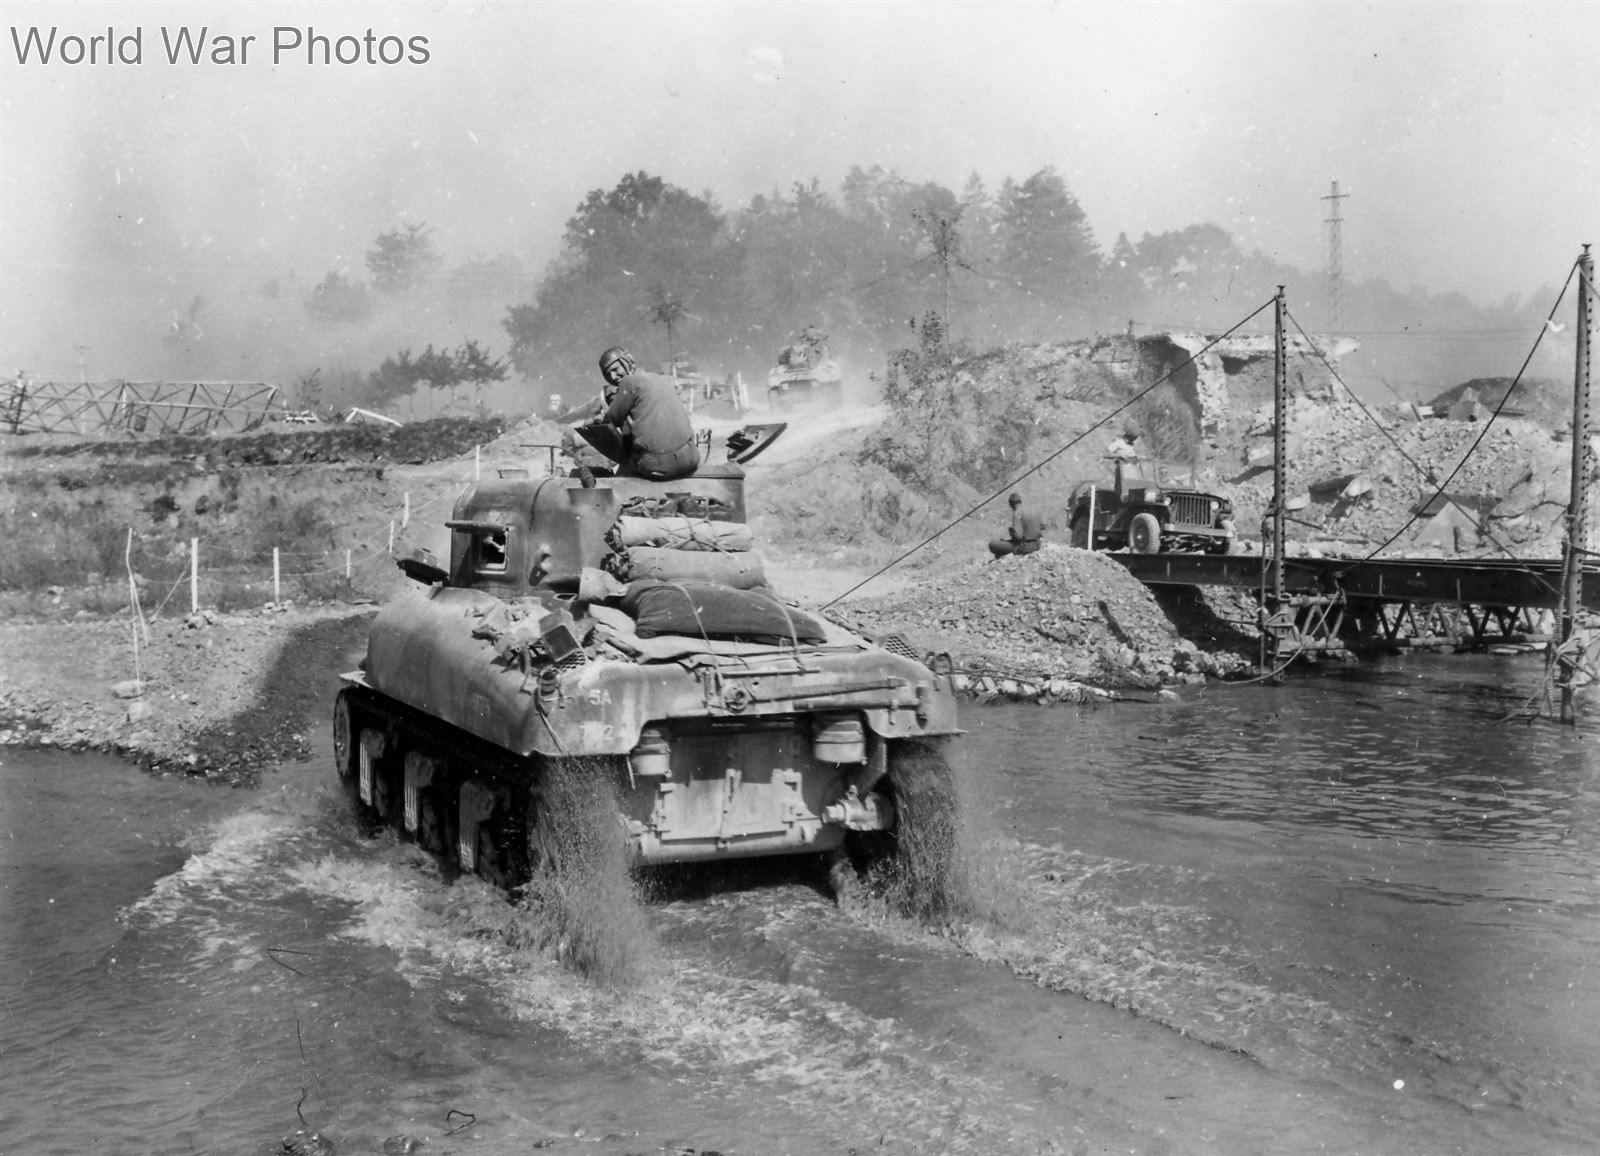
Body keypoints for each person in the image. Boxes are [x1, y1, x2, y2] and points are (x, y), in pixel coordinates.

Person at [563, 346, 699, 481]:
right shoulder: (661, 379)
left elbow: (612, 419)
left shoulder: (629, 382)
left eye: (615, 369)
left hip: (659, 466)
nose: (612, 376)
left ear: (627, 362)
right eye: (608, 374)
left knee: (626, 464)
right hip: (690, 458)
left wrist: (593, 421)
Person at [988, 492, 1045, 559]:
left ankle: (1001, 554)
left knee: (992, 544)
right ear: (1020, 501)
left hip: (1026, 547)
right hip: (1037, 544)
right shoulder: (1033, 510)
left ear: (1011, 505)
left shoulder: (1017, 513)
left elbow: (1019, 536)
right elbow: (1043, 526)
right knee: (1005, 542)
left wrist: (1012, 533)